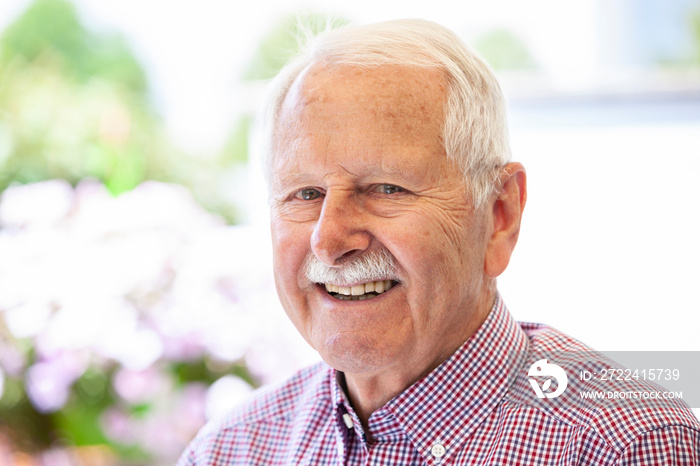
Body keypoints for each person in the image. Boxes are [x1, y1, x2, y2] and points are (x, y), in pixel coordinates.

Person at [178, 19, 699, 465]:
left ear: (499, 216)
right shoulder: (231, 450)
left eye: (386, 188)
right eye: (305, 193)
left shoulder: (628, 448)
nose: (329, 238)